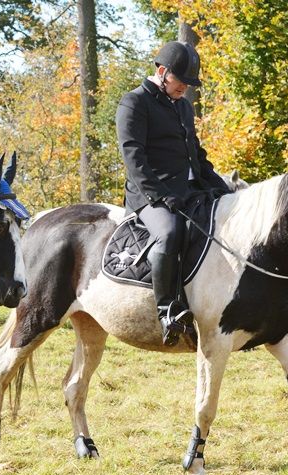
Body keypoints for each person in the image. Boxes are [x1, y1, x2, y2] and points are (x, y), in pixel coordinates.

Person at [115, 41, 229, 346]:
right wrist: (160, 195)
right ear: (163, 72)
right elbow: (133, 157)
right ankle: (167, 309)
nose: (185, 89)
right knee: (170, 232)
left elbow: (196, 153)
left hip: (189, 191)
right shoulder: (135, 103)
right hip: (150, 195)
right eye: (182, 82)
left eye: (189, 85)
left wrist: (222, 188)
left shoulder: (183, 105)